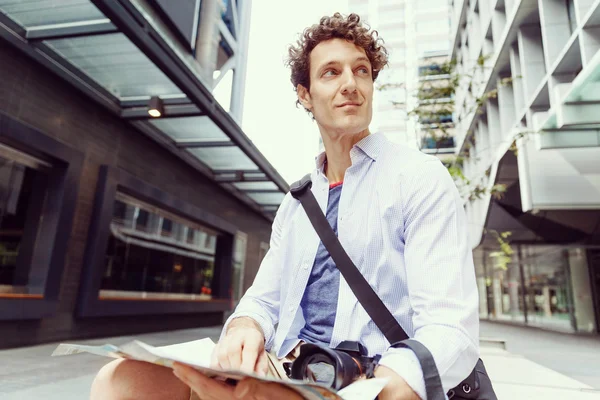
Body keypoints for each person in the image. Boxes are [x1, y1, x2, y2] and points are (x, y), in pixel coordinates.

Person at [90, 12, 479, 400]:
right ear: (304, 94)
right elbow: (264, 299)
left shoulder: (420, 177)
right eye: (331, 72)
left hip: (377, 379)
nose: (350, 84)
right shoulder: (296, 204)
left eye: (361, 70)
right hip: (292, 372)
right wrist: (245, 326)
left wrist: (393, 383)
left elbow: (449, 327)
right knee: (120, 380)